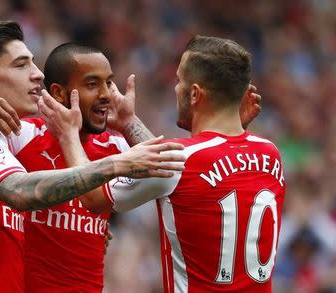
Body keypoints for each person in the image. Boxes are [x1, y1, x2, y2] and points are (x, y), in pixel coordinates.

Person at [0, 41, 261, 292]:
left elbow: (170, 170)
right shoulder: (21, 135)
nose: (107, 94)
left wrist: (128, 123)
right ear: (59, 91)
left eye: (109, 82)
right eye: (92, 84)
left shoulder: (114, 145)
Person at [39, 35, 285, 292]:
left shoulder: (183, 160)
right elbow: (211, 169)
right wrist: (128, 123)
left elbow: (91, 196)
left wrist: (68, 134)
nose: (175, 88)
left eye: (179, 81)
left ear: (194, 94)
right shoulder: (271, 153)